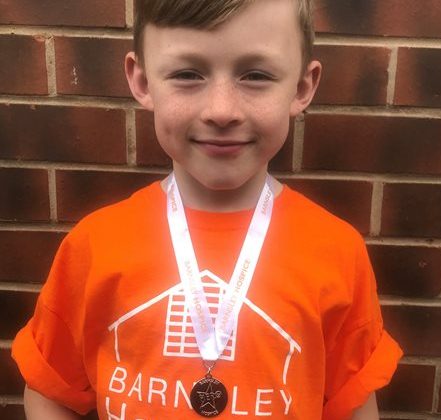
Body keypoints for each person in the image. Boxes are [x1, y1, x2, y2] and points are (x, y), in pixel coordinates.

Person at [12, 0, 403, 419]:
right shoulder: (93, 245)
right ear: (142, 81)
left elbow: (354, 405)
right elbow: (49, 388)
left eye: (255, 75)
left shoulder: (338, 251)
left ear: (302, 87)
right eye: (187, 74)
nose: (221, 111)